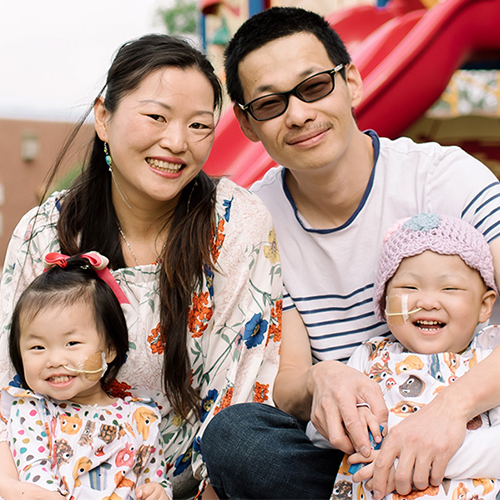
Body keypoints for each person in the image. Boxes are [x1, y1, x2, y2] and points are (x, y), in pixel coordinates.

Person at [200, 6, 500, 499]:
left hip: (473, 428)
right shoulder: (257, 220)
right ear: (248, 125)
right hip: (353, 452)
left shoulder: (445, 178)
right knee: (237, 437)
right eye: (271, 104)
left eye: (314, 86)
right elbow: (290, 381)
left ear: (353, 82)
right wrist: (322, 379)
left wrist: (451, 412)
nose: (299, 114)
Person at [0, 34, 281, 499]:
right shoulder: (45, 230)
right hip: (51, 477)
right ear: (104, 117)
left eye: (199, 126)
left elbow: (241, 389)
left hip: (196, 482)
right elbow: (10, 389)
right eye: (156, 116)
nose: (176, 143)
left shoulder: (235, 222)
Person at [306, 213, 500, 500]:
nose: (427, 302)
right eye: (409, 288)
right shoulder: (369, 356)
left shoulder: (488, 359)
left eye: (450, 289)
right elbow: (316, 433)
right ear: (384, 303)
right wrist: (349, 423)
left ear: (485, 306)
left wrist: (411, 459)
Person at [3, 252, 172, 500]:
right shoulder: (31, 410)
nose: (55, 360)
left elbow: (155, 479)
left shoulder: (140, 418)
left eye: (72, 343)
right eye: (38, 347)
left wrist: (158, 492)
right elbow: (35, 476)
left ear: (111, 348)